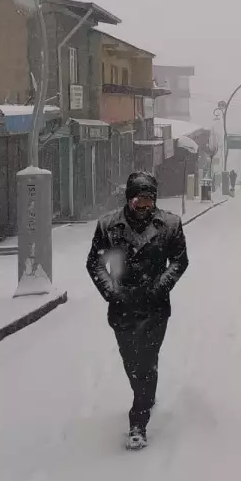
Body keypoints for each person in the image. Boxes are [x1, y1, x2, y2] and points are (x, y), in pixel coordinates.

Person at [85, 171, 189, 450]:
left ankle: (138, 421)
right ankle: (145, 393)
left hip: (155, 307)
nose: (143, 207)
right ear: (128, 200)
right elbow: (95, 264)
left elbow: (180, 261)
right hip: (122, 308)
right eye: (137, 201)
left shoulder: (170, 224)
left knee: (146, 359)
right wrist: (112, 291)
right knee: (132, 362)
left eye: (148, 201)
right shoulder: (108, 226)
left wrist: (160, 286)